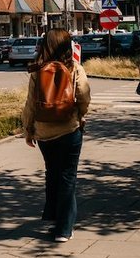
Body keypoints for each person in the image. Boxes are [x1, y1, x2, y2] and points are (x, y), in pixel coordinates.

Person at [21, 28, 91, 243]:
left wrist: (28, 130)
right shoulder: (74, 69)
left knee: (52, 173)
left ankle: (53, 216)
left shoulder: (37, 70)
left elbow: (30, 104)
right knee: (67, 177)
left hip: (44, 132)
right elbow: (84, 96)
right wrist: (80, 115)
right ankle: (64, 228)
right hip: (69, 130)